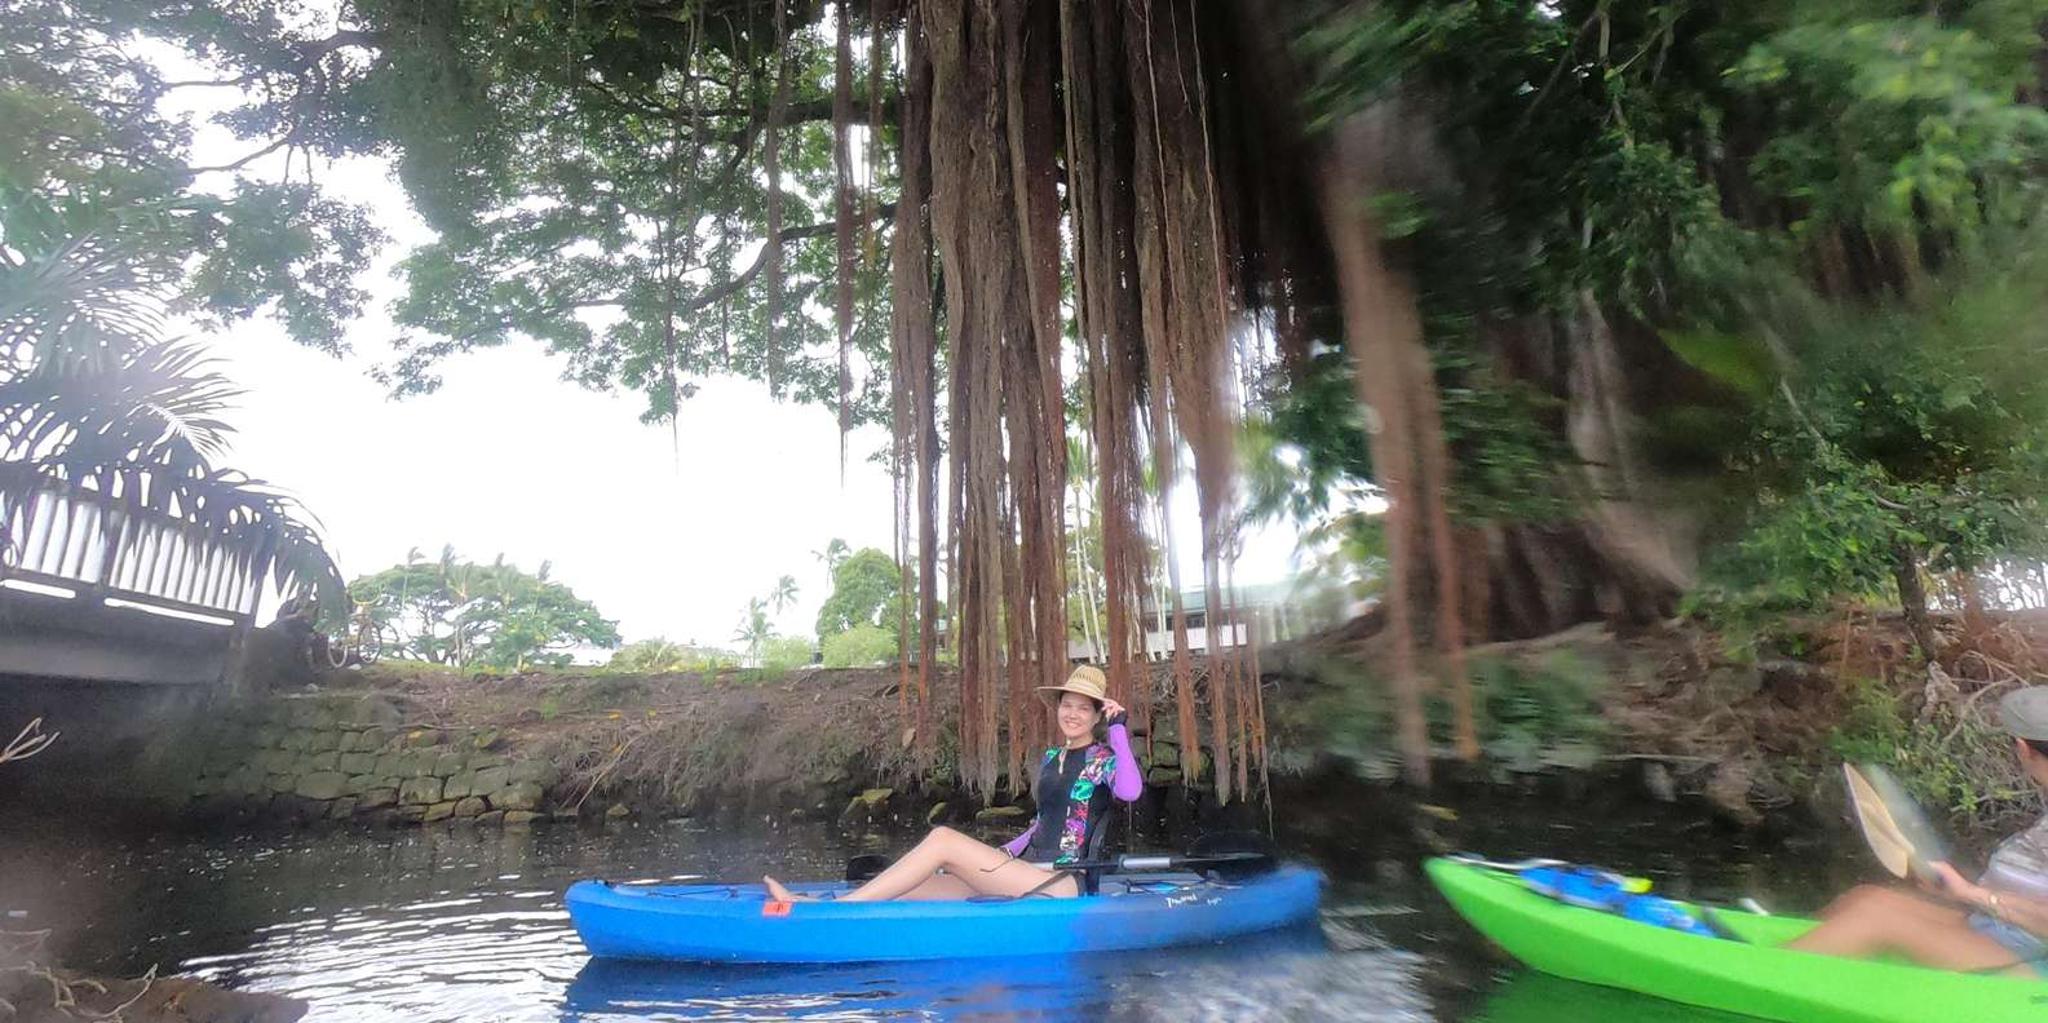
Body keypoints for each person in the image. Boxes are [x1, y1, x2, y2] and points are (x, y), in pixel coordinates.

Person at [763, 665, 1144, 902]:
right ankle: (812, 905)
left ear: (1097, 716)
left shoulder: (1104, 760)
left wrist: (1118, 732)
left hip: (1062, 883)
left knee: (944, 839)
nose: (1072, 714)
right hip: (1026, 870)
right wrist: (999, 854)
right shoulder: (1050, 758)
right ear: (1057, 708)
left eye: (1083, 708)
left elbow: (1130, 792)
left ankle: (839, 917)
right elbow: (1044, 823)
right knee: (908, 890)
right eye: (1067, 705)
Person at [1786, 686, 2048, 977]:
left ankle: (1760, 986)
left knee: (1876, 916)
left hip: (2034, 972)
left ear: (2023, 748)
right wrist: (1958, 891)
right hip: (2005, 933)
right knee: (1867, 898)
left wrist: (1973, 894)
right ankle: (1784, 967)